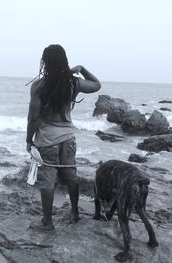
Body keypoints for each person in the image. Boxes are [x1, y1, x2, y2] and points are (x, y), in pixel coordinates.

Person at [26, 44, 101, 231]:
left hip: (47, 140)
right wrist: (82, 69)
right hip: (68, 138)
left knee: (47, 180)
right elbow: (97, 85)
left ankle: (47, 222)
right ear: (64, 61)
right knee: (71, 176)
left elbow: (33, 117)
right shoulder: (73, 83)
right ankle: (75, 213)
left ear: (45, 62)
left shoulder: (39, 86)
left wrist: (29, 140)